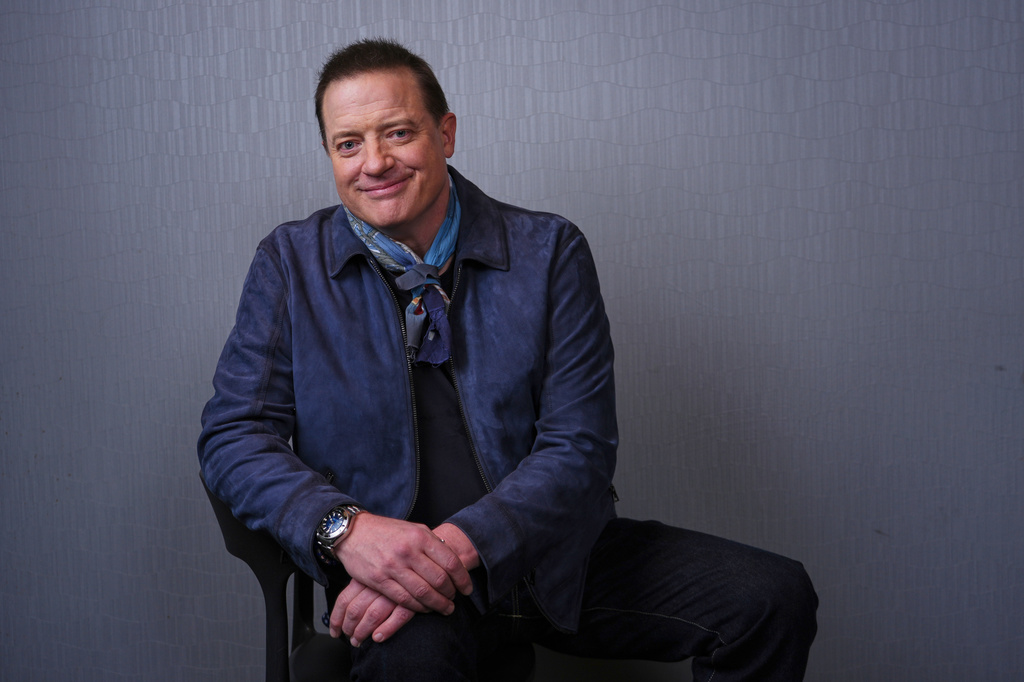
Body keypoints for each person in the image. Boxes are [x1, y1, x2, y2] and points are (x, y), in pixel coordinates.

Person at [198, 38, 817, 681]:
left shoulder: (549, 251)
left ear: (446, 133)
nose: (375, 162)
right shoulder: (289, 264)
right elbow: (233, 435)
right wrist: (348, 533)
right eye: (348, 144)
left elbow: (579, 446)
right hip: (404, 588)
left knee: (772, 597)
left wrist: (453, 549)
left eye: (399, 133)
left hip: (553, 561)